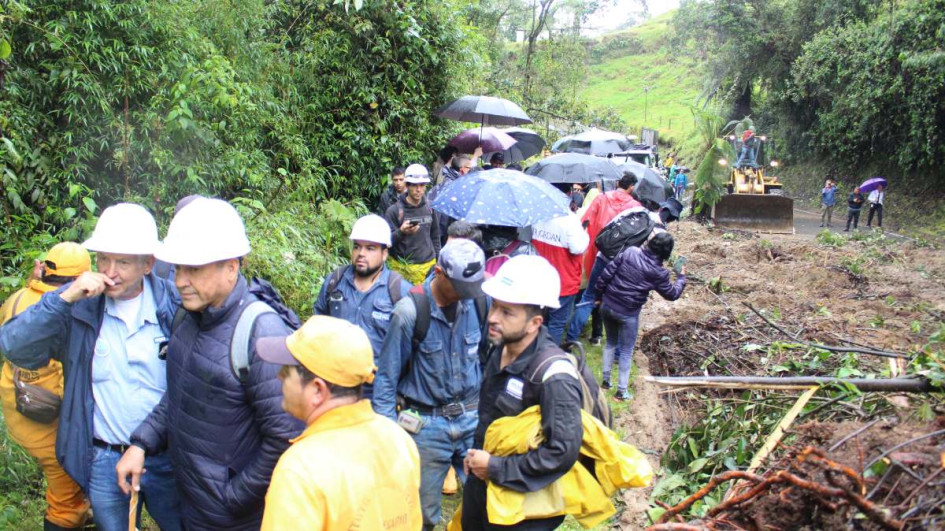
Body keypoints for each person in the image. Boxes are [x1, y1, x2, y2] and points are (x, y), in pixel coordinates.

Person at [116, 198, 303, 530]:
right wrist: (142, 443)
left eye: (194, 269)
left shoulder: (262, 332)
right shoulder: (187, 318)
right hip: (190, 502)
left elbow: (287, 435)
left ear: (231, 267)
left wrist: (233, 497)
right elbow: (180, 394)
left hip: (235, 518)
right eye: (178, 268)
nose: (180, 281)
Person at [0, 204, 182, 531]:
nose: (110, 271)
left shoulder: (175, 306)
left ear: (148, 264)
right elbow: (14, 346)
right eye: (104, 259)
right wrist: (64, 296)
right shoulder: (79, 310)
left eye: (123, 262)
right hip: (105, 458)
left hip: (166, 457)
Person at [256, 316, 422, 531]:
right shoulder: (398, 439)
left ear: (317, 390)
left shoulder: (300, 469)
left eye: (287, 370)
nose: (279, 376)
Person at [373, 239, 488, 531]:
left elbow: (489, 357)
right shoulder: (409, 312)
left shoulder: (478, 301)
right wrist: (389, 438)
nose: (466, 295)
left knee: (488, 502)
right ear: (439, 273)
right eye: (460, 288)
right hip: (425, 425)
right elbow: (386, 379)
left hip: (472, 417)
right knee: (419, 513)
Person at [461, 254, 583, 530]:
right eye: (494, 306)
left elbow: (562, 452)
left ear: (534, 323)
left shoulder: (554, 377)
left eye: (507, 312)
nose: (493, 318)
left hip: (523, 513)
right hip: (482, 490)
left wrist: (495, 468)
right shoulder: (499, 348)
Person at [0, 243, 92, 531]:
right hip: (44, 418)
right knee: (67, 501)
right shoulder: (62, 312)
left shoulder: (19, 297)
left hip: (15, 405)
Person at [313, 214, 412, 400]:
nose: (361, 253)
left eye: (370, 248)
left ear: (384, 253)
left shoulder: (399, 291)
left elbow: (409, 347)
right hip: (334, 384)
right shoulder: (335, 282)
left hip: (378, 390)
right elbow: (317, 326)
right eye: (357, 246)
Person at [595, 233, 686, 400]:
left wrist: (598, 297)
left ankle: (606, 382)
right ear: (667, 252)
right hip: (627, 314)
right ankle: (621, 391)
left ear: (650, 242)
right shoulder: (659, 273)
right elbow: (672, 294)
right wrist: (681, 277)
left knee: (610, 342)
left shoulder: (630, 251)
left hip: (607, 305)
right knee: (626, 351)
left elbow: (607, 273)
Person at [566, 172, 642, 345]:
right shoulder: (635, 206)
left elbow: (584, 221)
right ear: (631, 187)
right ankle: (604, 339)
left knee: (589, 296)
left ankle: (571, 338)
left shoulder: (601, 199)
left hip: (596, 254)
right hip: (620, 259)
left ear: (618, 183)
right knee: (614, 298)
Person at [531, 212, 589, 345]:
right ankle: (549, 354)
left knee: (539, 319)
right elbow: (577, 248)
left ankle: (534, 351)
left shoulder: (539, 214)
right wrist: (585, 235)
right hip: (563, 281)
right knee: (556, 323)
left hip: (541, 278)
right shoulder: (570, 220)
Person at [384, 164, 441, 285]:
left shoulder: (430, 208)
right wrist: (401, 232)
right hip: (402, 269)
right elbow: (386, 242)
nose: (418, 189)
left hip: (428, 267)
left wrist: (438, 259)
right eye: (414, 185)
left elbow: (435, 236)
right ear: (407, 185)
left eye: (422, 185)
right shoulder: (394, 211)